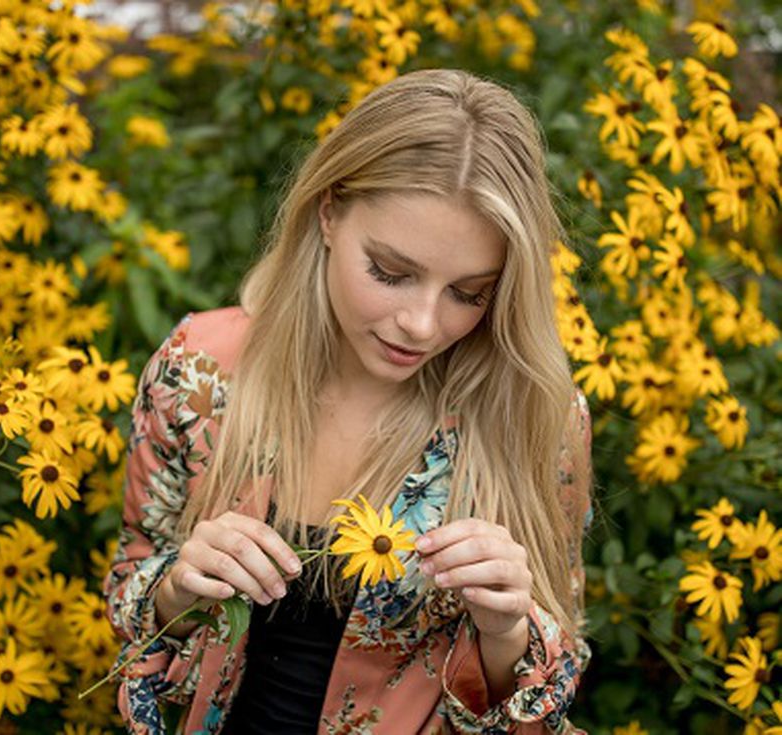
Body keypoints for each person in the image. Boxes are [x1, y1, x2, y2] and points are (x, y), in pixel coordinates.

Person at [103, 68, 594, 735]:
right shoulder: (201, 375)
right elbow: (133, 595)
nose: (422, 323)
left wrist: (508, 628)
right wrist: (178, 585)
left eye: (469, 292)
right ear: (329, 211)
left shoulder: (531, 412)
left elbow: (545, 695)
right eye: (391, 272)